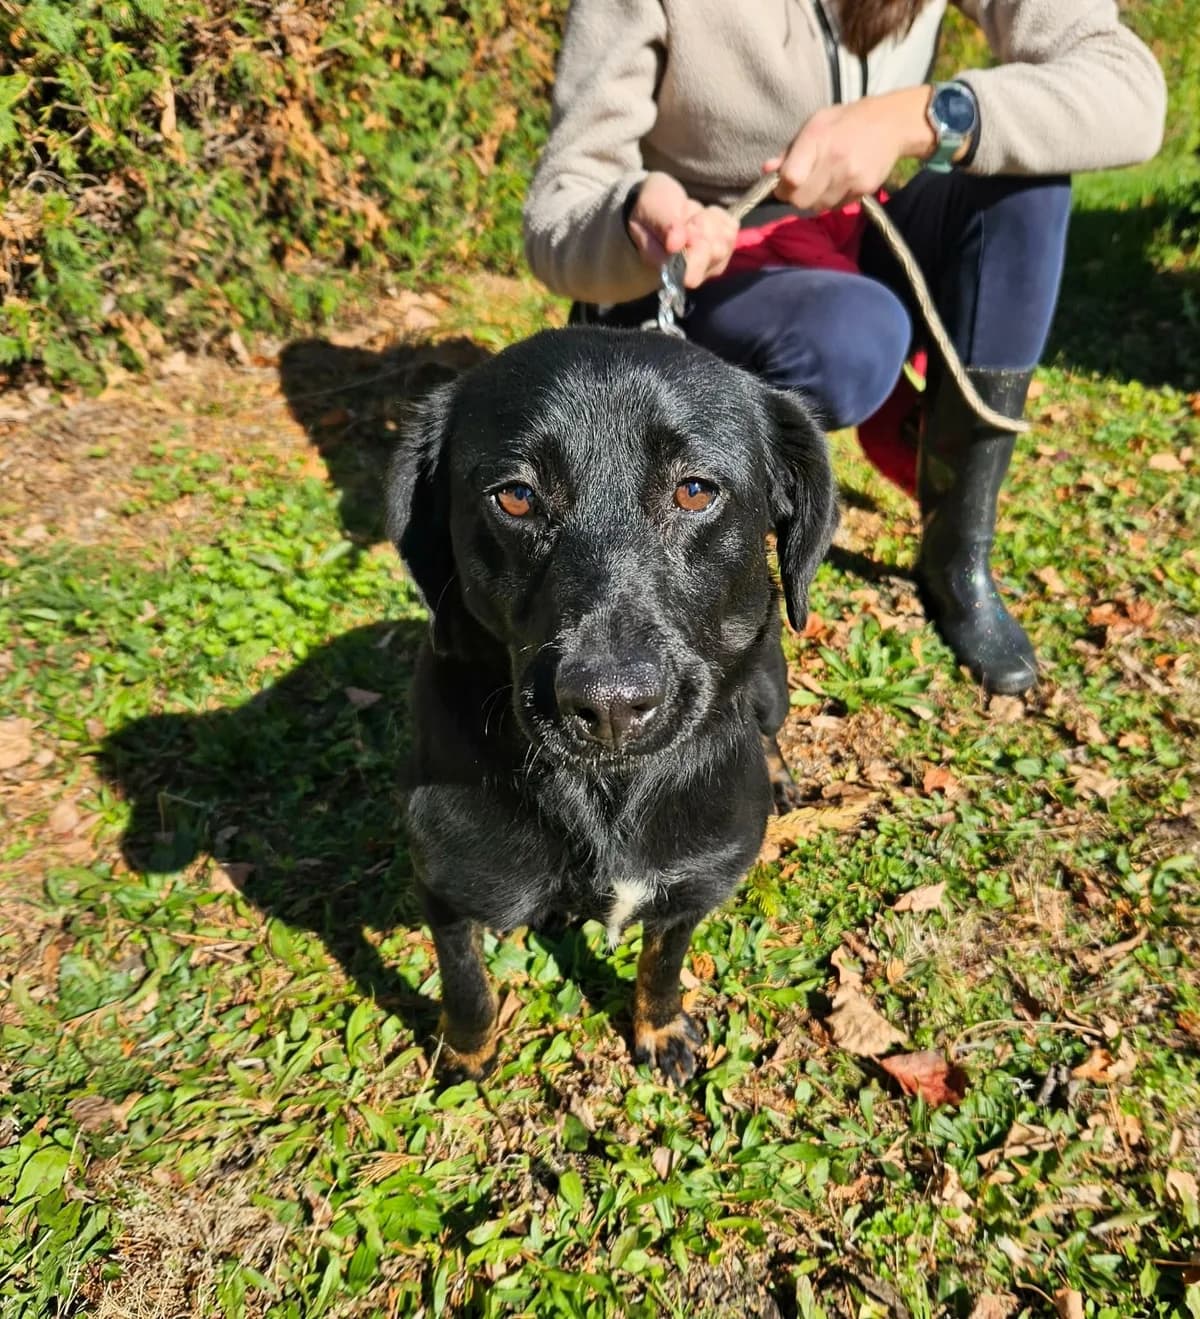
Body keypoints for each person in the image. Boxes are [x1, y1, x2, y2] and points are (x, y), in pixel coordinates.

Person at [522, 0, 1167, 696]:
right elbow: (561, 205)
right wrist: (634, 217)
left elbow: (1128, 90)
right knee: (854, 339)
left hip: (860, 227)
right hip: (702, 255)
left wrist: (921, 118)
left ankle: (957, 554)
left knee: (1026, 178)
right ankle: (729, 583)